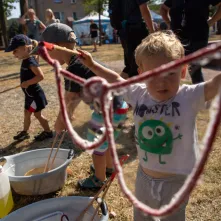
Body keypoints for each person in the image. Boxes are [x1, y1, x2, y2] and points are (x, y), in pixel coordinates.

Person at [78, 31, 221, 220]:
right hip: (144, 176)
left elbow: (213, 86)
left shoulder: (189, 96)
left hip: (177, 180)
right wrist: (92, 64)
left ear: (183, 71)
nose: (162, 81)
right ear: (142, 75)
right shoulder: (139, 94)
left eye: (171, 72)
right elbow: (116, 80)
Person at [41, 23, 128, 189]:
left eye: (48, 50)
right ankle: (108, 168)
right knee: (106, 141)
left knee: (95, 146)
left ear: (59, 46)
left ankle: (98, 179)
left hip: (106, 111)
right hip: (119, 107)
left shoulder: (74, 68)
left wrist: (61, 121)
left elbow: (70, 99)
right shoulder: (85, 61)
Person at [5, 34, 53, 141]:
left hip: (35, 95)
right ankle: (25, 132)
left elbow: (41, 76)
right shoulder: (26, 59)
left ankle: (48, 132)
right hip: (29, 95)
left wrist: (27, 82)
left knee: (38, 115)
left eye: (15, 50)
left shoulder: (30, 61)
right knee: (27, 113)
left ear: (25, 48)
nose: (13, 53)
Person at [160, 0, 221, 84]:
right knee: (174, 67)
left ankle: (199, 93)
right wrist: (169, 23)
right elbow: (163, 8)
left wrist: (211, 21)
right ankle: (174, 92)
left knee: (195, 69)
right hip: (177, 36)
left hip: (198, 36)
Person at [114, 0, 155, 79]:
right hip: (136, 31)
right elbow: (144, 9)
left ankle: (114, 89)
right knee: (137, 67)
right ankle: (120, 89)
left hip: (123, 31)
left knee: (129, 66)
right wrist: (152, 31)